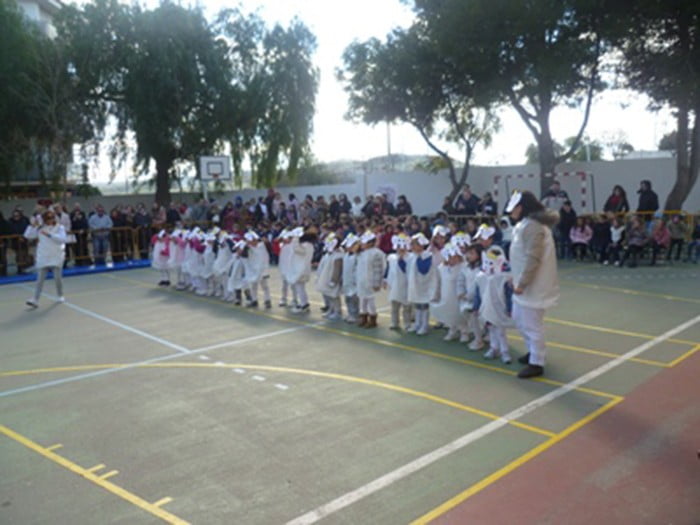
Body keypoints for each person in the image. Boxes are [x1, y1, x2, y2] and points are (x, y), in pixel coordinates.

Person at [505, 190, 560, 379]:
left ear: (520, 208)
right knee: (520, 320)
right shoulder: (526, 225)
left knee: (531, 325)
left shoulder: (533, 227)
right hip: (524, 284)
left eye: (513, 209)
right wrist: (516, 277)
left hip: (532, 286)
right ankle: (532, 352)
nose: (510, 213)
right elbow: (521, 257)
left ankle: (537, 362)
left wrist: (522, 282)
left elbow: (533, 258)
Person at [474, 245, 514, 364]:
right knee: (491, 327)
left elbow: (508, 293)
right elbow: (478, 292)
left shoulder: (504, 277)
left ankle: (504, 351)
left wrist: (509, 307)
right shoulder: (482, 276)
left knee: (500, 329)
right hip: (487, 306)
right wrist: (476, 306)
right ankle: (494, 348)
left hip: (499, 306)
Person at [24, 210, 68, 308]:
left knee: (57, 279)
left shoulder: (60, 228)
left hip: (56, 255)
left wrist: (49, 235)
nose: (50, 220)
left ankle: (60, 295)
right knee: (40, 280)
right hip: (43, 256)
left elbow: (63, 239)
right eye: (48, 218)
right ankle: (35, 299)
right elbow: (27, 235)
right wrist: (32, 226)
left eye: (52, 217)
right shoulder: (40, 228)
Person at [431, 244, 465, 342]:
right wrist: (436, 294)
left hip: (458, 295)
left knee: (460, 314)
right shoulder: (441, 268)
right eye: (449, 257)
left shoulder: (462, 267)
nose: (452, 260)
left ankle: (464, 331)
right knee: (450, 313)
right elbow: (438, 282)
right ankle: (452, 330)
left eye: (455, 257)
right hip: (446, 294)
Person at [407, 232, 438, 335]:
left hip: (425, 284)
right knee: (417, 305)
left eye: (414, 244)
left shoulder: (427, 256)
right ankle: (417, 324)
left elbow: (425, 271)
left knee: (424, 305)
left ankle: (424, 325)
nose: (412, 246)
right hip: (416, 284)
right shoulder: (413, 256)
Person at [355, 231, 386, 328]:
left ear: (371, 243)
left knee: (370, 300)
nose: (363, 244)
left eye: (365, 242)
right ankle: (363, 317)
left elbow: (378, 269)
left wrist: (377, 282)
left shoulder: (377, 253)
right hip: (361, 280)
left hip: (371, 281)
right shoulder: (362, 253)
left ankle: (372, 318)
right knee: (362, 299)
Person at [384, 233, 412, 331]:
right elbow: (388, 270)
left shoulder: (410, 258)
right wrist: (385, 280)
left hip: (406, 285)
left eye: (404, 247)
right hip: (394, 285)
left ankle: (407, 323)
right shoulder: (392, 257)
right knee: (394, 307)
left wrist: (402, 260)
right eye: (399, 247)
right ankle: (394, 322)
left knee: (407, 307)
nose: (401, 249)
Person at [315, 233, 343, 320]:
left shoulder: (339, 255)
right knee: (328, 296)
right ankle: (331, 309)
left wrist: (334, 280)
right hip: (325, 278)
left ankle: (337, 312)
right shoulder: (328, 253)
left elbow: (337, 269)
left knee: (334, 296)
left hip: (332, 280)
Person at [341, 233, 361, 323]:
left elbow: (358, 270)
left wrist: (356, 280)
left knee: (354, 300)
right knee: (347, 299)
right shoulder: (346, 255)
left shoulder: (357, 257)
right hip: (346, 280)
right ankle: (350, 314)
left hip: (354, 282)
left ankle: (355, 315)